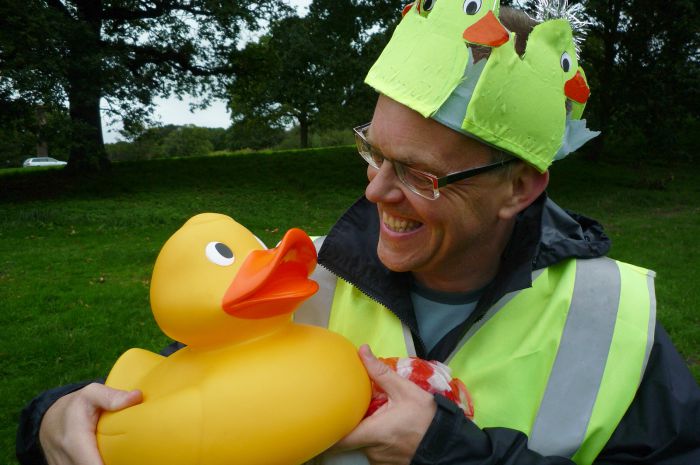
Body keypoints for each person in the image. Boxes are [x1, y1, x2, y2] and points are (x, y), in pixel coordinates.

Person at [17, 3, 700, 465]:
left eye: (419, 175)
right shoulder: (300, 277)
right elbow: (159, 396)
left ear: (518, 189)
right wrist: (51, 416)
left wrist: (450, 452)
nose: (375, 192)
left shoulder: (607, 319)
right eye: (374, 152)